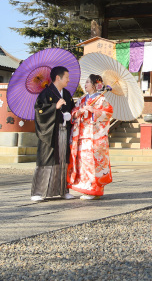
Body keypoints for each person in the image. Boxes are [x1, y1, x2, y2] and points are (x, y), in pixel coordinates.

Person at [31, 66, 76, 202]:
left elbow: (72, 109)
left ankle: (63, 190)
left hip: (64, 131)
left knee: (63, 160)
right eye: (67, 77)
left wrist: (71, 115)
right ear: (58, 78)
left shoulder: (66, 94)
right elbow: (39, 111)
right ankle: (38, 192)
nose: (68, 80)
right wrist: (54, 107)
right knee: (47, 160)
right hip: (50, 133)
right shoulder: (45, 94)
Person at [67, 74, 113, 200]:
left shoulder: (101, 99)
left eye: (88, 82)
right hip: (82, 134)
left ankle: (94, 189)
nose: (85, 84)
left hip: (95, 136)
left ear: (95, 85)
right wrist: (79, 112)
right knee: (82, 161)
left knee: (93, 162)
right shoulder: (81, 99)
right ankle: (85, 188)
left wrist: (93, 111)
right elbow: (73, 113)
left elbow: (107, 114)